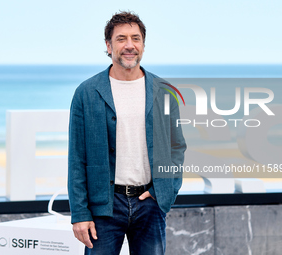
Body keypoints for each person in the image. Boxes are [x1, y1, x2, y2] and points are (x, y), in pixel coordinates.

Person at [68, 11, 186, 255]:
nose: (129, 45)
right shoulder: (87, 92)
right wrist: (80, 213)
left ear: (143, 45)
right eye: (121, 39)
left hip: (149, 204)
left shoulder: (163, 92)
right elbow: (77, 157)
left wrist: (164, 192)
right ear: (108, 46)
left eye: (136, 38)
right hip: (104, 206)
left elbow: (177, 148)